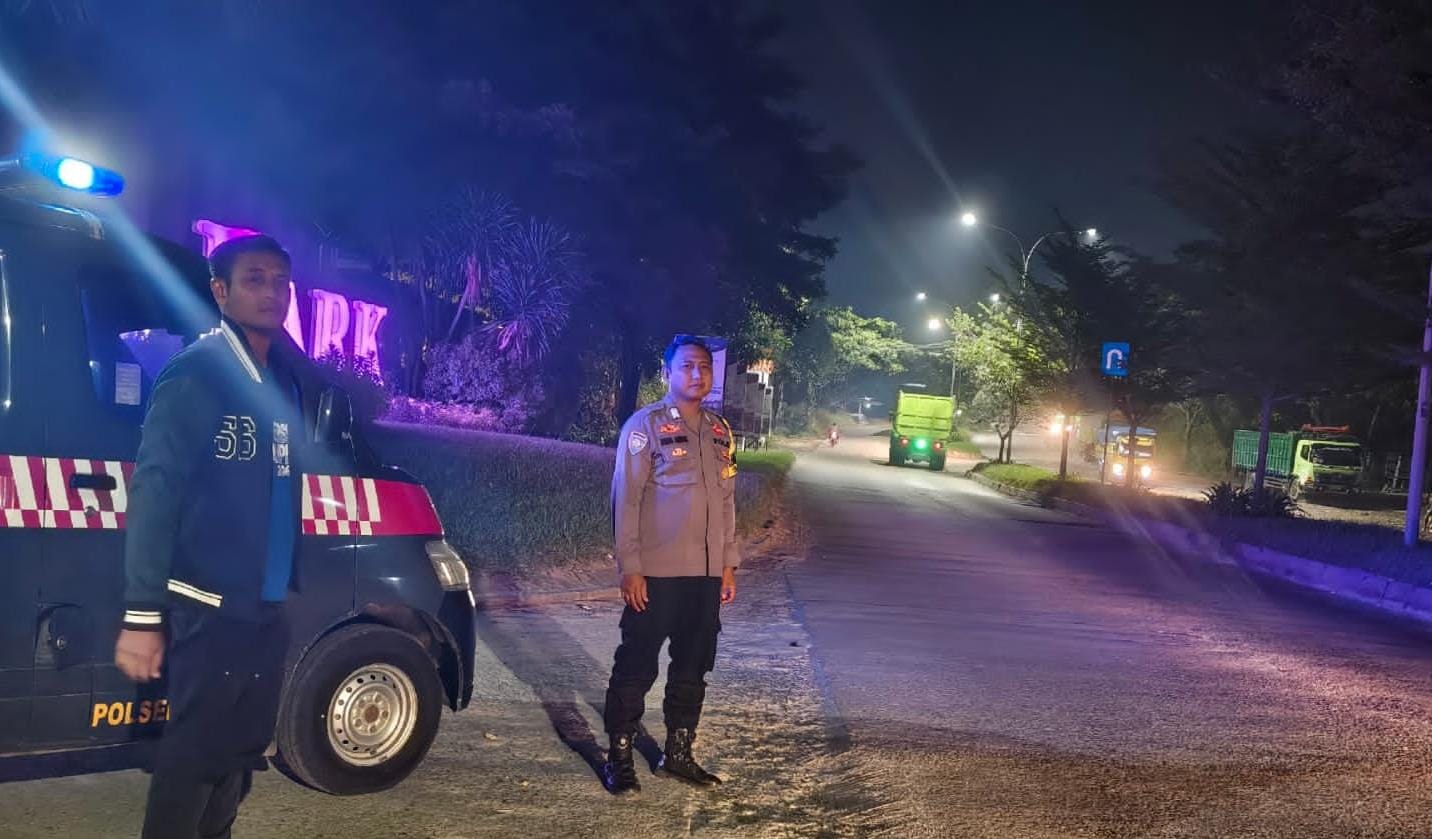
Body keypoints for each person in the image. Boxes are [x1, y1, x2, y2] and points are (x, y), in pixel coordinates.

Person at [114, 234, 308, 839]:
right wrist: (142, 615)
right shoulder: (198, 372)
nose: (272, 292)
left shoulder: (280, 380)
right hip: (208, 602)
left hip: (264, 604)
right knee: (193, 756)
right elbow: (155, 489)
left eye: (281, 281)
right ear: (220, 291)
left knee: (239, 754)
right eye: (254, 279)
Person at [602, 335, 740, 795]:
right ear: (667, 373)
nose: (697, 374)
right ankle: (619, 755)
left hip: (705, 575)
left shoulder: (719, 431)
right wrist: (631, 567)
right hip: (656, 573)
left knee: (693, 667)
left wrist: (727, 564)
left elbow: (727, 502)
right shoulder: (645, 426)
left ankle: (678, 754)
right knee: (637, 664)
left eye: (704, 367)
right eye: (687, 366)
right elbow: (626, 499)